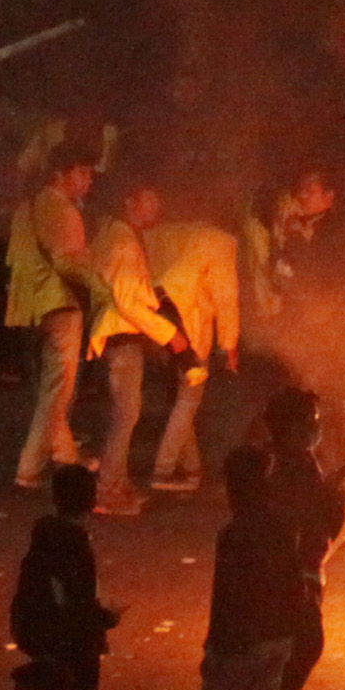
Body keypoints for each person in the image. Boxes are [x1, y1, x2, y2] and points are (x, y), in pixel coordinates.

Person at [194, 445, 303, 690]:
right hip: (279, 636)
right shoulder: (283, 525)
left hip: (244, 641)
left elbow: (226, 597)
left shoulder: (235, 534)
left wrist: (214, 647)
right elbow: (294, 582)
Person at [257, 385, 345, 690]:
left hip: (301, 570)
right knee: (303, 646)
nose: (317, 428)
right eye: (311, 422)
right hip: (291, 575)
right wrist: (333, 498)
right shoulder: (286, 469)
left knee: (291, 651)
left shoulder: (295, 462)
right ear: (292, 427)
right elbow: (309, 521)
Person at [85, 182, 187, 514]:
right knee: (126, 413)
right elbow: (128, 302)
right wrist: (169, 334)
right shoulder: (124, 242)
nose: (155, 209)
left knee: (126, 412)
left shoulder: (112, 234)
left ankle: (117, 483)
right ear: (129, 201)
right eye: (148, 201)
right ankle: (107, 491)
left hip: (116, 333)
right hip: (122, 334)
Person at [7, 153, 102, 489]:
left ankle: (66, 455)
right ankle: (29, 468)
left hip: (27, 306)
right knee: (57, 389)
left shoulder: (26, 207)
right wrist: (103, 287)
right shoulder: (64, 210)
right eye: (84, 172)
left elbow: (14, 257)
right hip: (59, 304)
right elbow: (68, 263)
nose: (89, 180)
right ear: (63, 173)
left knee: (50, 385)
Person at [142, 194, 244, 492]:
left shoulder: (168, 233)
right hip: (188, 322)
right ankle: (162, 471)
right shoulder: (219, 241)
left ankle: (191, 469)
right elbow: (226, 296)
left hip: (153, 318)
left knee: (182, 397)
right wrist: (230, 344)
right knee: (189, 398)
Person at [11, 462, 117, 690]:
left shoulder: (44, 537)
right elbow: (74, 599)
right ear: (91, 500)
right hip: (73, 645)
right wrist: (104, 619)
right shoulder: (73, 543)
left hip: (46, 638)